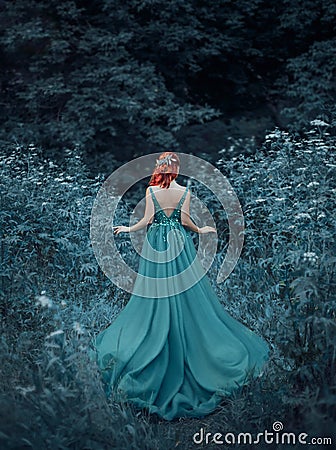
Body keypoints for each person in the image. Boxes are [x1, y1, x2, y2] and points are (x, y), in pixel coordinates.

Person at [90, 151, 270, 421]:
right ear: (176, 169)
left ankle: (157, 341)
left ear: (159, 168)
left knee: (156, 293)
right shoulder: (184, 191)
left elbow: (146, 221)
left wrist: (128, 230)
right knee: (186, 291)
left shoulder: (152, 191)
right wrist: (201, 231)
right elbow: (185, 222)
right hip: (178, 241)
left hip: (156, 243)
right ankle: (193, 344)